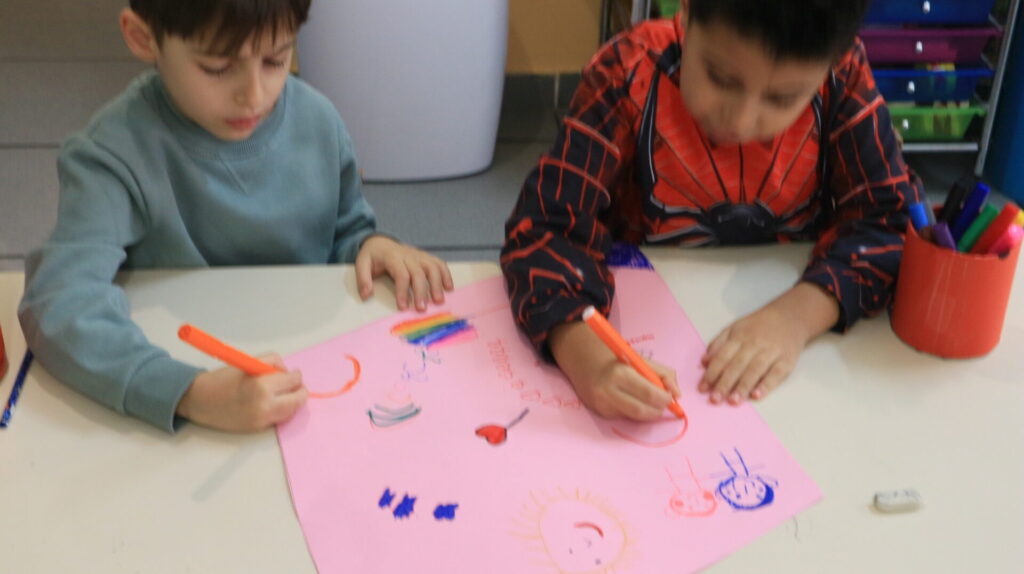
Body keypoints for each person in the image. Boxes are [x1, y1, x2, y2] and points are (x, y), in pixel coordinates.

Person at [18, 0, 453, 433]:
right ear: (143, 37)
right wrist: (187, 393)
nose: (255, 96)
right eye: (218, 68)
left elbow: (345, 232)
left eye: (276, 60)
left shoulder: (318, 121)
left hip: (309, 384)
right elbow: (58, 302)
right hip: (184, 384)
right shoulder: (112, 154)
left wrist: (372, 246)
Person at [501, 0, 922, 420]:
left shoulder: (841, 75)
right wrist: (583, 352)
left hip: (794, 358)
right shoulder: (627, 71)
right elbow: (545, 229)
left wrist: (796, 318)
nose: (740, 122)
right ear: (686, 15)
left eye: (782, 98)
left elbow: (888, 223)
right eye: (720, 78)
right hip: (647, 318)